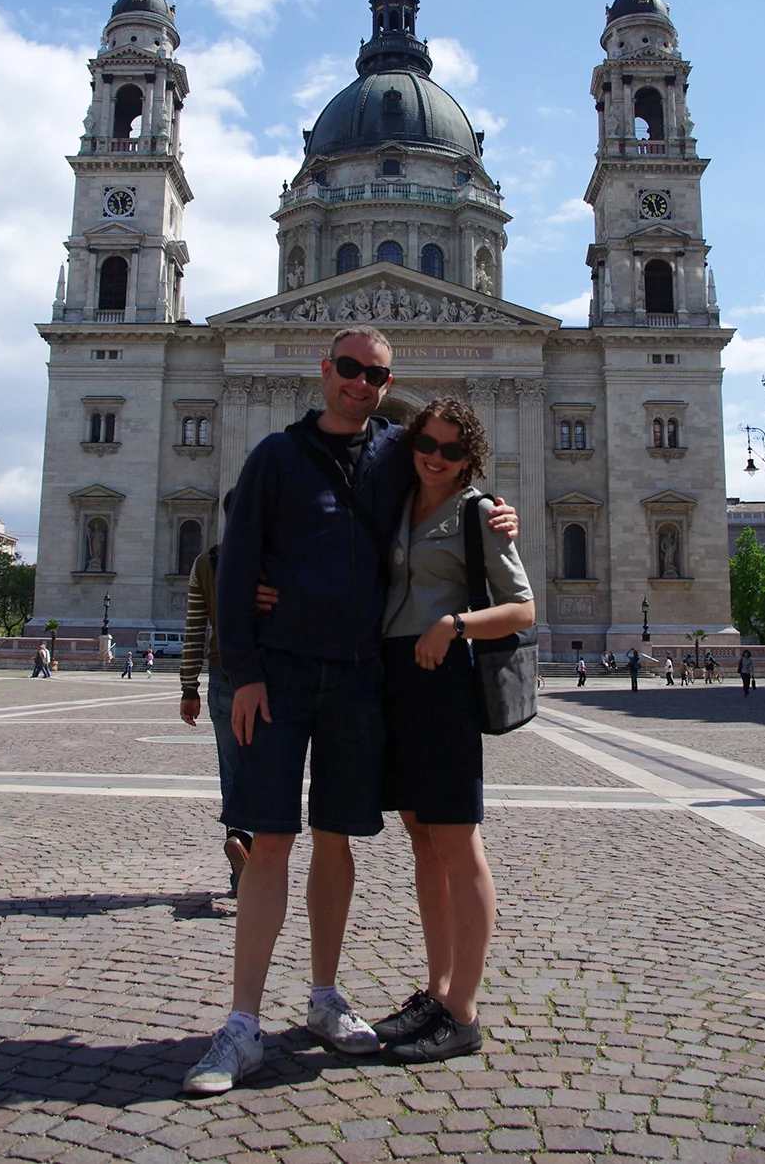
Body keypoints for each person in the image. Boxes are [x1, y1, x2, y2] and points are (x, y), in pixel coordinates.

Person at [183, 328, 516, 1095]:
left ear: (387, 381)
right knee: (269, 841)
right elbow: (232, 566)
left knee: (337, 841)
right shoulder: (273, 453)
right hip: (284, 676)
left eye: (375, 374)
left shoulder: (400, 453)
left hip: (363, 678)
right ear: (324, 370)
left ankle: (327, 997)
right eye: (349, 369)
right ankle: (241, 1023)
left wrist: (499, 512)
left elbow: (452, 475)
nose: (361, 383)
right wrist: (246, 669)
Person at [376, 399, 534, 1062]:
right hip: (391, 678)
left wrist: (455, 625)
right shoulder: (395, 500)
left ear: (469, 458)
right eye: (426, 444)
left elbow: (523, 607)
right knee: (421, 841)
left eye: (450, 450)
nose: (435, 456)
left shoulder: (478, 512)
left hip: (443, 681)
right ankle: (437, 991)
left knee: (457, 841)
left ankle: (462, 1012)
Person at [180, 493, 253, 897]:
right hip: (266, 683)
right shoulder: (271, 561)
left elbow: (194, 630)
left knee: (233, 770)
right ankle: (245, 842)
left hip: (221, 680)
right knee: (265, 771)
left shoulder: (203, 562)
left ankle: (238, 843)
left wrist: (188, 688)